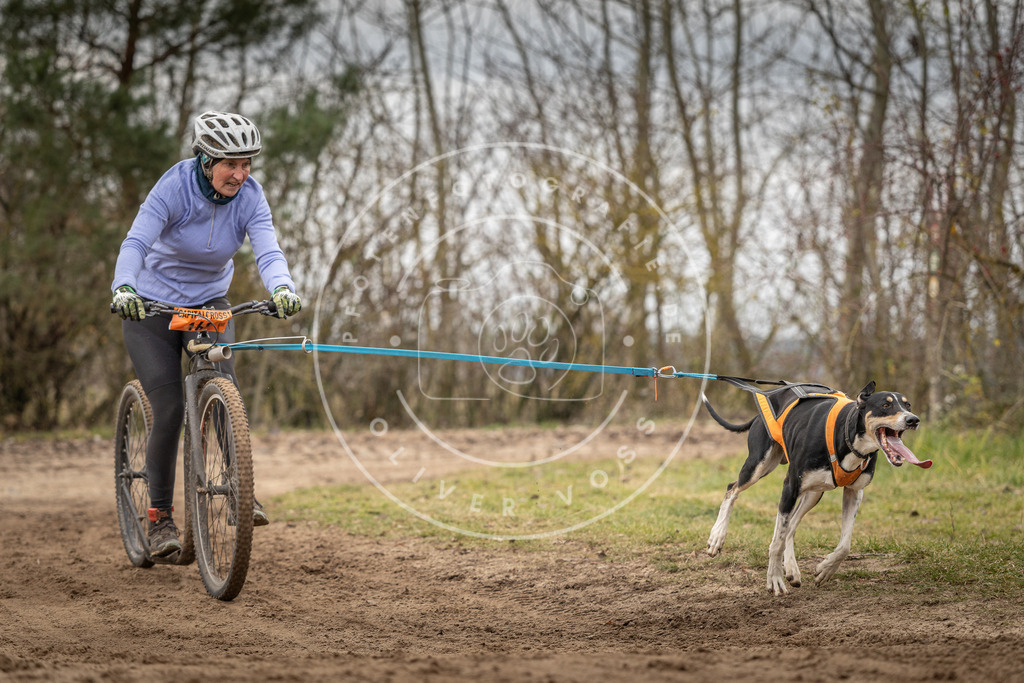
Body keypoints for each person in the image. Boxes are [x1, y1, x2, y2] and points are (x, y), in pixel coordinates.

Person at [111, 111, 302, 558]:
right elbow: (136, 243)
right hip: (152, 307)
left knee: (225, 388)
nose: (240, 174)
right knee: (171, 407)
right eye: (230, 164)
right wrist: (124, 286)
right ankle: (158, 518)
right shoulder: (173, 187)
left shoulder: (251, 197)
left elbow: (268, 249)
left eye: (247, 164)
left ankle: (239, 489)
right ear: (205, 160)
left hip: (209, 304)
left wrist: (282, 287)